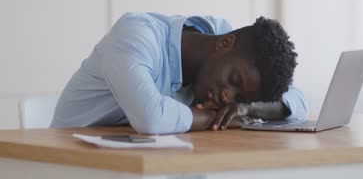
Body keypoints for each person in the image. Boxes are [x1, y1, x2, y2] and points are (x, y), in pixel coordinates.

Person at [51, 12, 309, 134]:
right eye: (233, 81)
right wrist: (212, 118)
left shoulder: (223, 39)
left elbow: (298, 101)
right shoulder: (137, 36)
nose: (227, 97)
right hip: (63, 161)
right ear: (224, 43)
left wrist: (248, 109)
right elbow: (151, 119)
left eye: (238, 97)